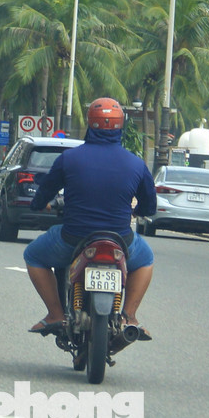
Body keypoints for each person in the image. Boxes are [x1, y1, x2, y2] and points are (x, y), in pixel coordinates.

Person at [22, 97, 158, 340]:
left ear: (90, 123)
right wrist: (137, 212)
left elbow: (46, 190)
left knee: (33, 255)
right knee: (146, 259)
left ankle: (55, 314)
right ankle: (129, 316)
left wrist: (39, 204)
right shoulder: (136, 164)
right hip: (120, 240)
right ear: (120, 125)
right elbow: (149, 205)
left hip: (73, 239)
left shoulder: (69, 159)